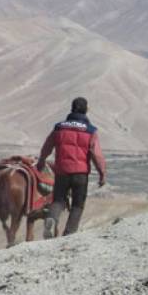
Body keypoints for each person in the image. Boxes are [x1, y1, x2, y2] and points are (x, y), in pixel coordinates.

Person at [36, 97, 107, 238]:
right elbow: (97, 155)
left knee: (58, 201)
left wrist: (42, 160)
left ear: (72, 108)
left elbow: (47, 146)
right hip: (81, 174)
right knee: (77, 205)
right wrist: (102, 174)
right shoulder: (90, 131)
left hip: (62, 171)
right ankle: (69, 233)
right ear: (86, 110)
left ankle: (52, 219)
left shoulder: (59, 127)